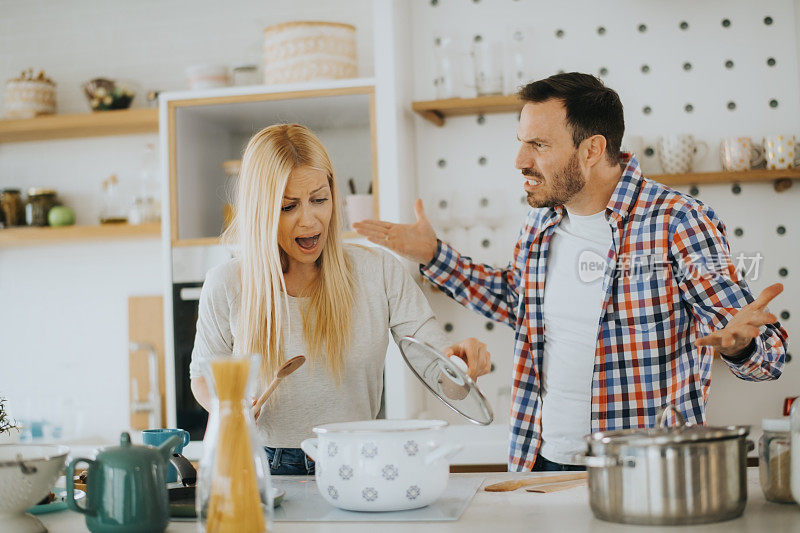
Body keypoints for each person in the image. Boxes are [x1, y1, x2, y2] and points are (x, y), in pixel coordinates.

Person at [354, 72, 789, 472]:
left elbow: (767, 355)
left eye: (538, 145)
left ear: (593, 149)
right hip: (543, 459)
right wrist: (433, 254)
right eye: (521, 142)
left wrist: (739, 348)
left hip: (646, 470)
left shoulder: (678, 221)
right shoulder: (541, 223)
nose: (520, 160)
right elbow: (518, 302)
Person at [190, 124, 492, 475]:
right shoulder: (226, 283)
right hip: (261, 465)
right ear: (261, 211)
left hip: (359, 460)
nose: (309, 219)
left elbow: (440, 373)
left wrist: (462, 368)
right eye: (289, 206)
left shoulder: (378, 271)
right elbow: (202, 376)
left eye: (319, 199)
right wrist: (228, 406)